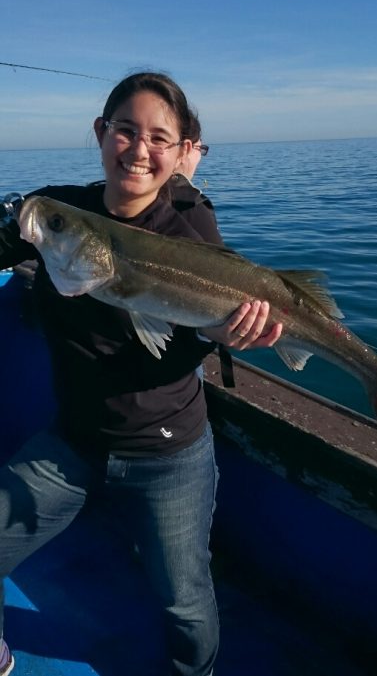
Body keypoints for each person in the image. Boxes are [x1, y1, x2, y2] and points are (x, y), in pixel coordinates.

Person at [0, 71, 283, 676]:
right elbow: (15, 234)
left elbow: (186, 339)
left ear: (181, 153)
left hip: (168, 453)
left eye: (159, 138)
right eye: (125, 130)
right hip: (72, 441)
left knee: (186, 603)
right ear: (101, 133)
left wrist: (217, 334)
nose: (139, 149)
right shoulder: (60, 210)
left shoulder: (191, 229)